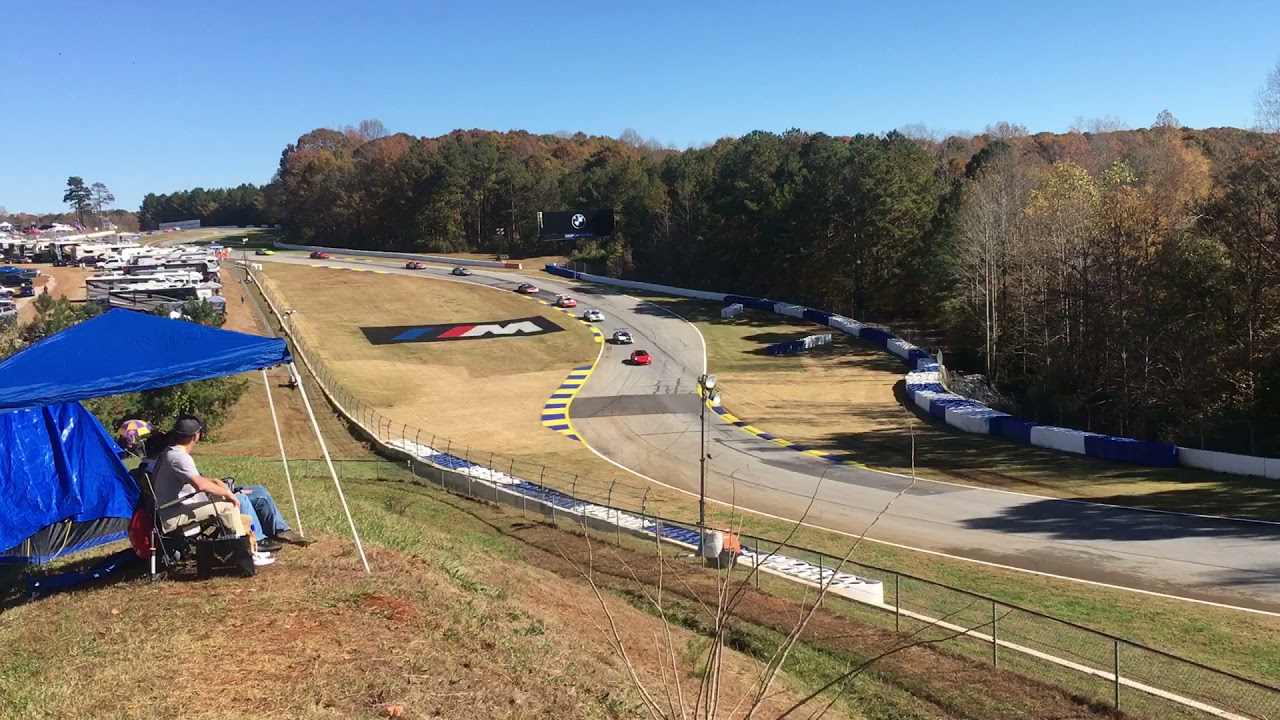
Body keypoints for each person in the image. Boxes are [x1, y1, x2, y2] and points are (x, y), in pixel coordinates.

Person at [151, 415, 274, 567]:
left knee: (223, 502)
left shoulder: (171, 453)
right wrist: (228, 494)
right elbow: (200, 485)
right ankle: (244, 554)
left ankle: (248, 547)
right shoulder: (179, 457)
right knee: (228, 505)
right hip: (173, 515)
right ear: (195, 436)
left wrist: (215, 482)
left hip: (169, 510)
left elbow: (195, 479)